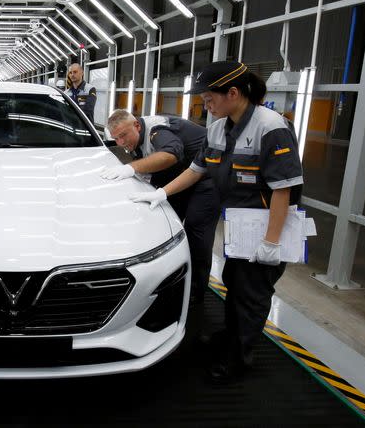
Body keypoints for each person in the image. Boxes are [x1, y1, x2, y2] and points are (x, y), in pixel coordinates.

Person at [128, 61, 303, 384]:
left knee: (250, 295)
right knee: (234, 282)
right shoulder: (218, 129)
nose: (204, 105)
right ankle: (230, 335)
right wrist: (162, 193)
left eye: (208, 98)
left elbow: (283, 189)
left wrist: (272, 242)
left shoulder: (271, 127)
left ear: (232, 93)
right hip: (239, 227)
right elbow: (197, 169)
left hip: (267, 228)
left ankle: (238, 357)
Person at [100, 109, 220, 312]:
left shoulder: (157, 130)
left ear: (137, 125)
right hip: (183, 175)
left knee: (196, 229)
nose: (121, 143)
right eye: (116, 139)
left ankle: (196, 291)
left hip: (208, 178)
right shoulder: (136, 139)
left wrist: (131, 168)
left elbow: (171, 154)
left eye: (123, 135)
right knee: (165, 222)